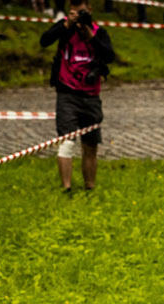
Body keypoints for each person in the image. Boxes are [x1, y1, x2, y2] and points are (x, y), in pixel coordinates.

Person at [40, 0, 115, 194]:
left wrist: (91, 37)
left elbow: (109, 56)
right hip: (67, 93)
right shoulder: (65, 27)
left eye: (81, 12)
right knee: (66, 141)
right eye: (74, 12)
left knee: (91, 144)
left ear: (90, 10)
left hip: (91, 95)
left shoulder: (99, 32)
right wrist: (66, 25)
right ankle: (66, 188)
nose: (78, 16)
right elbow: (44, 41)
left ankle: (90, 187)